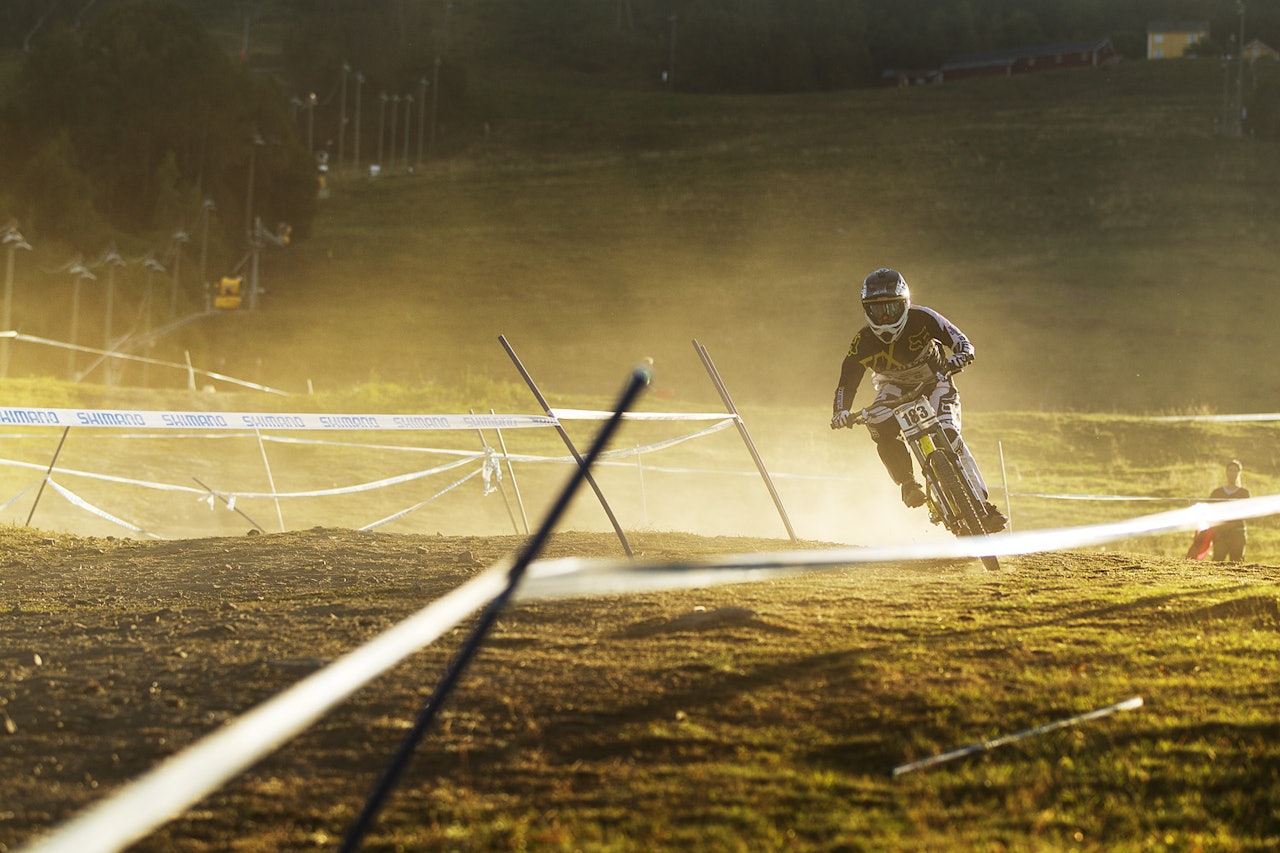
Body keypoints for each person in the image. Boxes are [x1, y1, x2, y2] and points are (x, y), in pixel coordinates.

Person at [830, 267, 1005, 531]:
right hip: (893, 388)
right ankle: (908, 483)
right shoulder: (862, 341)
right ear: (866, 310)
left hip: (935, 381)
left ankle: (983, 508)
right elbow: (846, 383)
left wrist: (961, 355)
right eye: (878, 310)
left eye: (891, 308)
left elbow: (960, 340)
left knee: (949, 434)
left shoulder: (923, 318)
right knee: (877, 425)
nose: (886, 316)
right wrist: (840, 411)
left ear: (905, 304)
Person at [1209, 459, 1250, 561]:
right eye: (1230, 470)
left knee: (1236, 563)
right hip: (1221, 533)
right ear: (1226, 472)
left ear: (1239, 473)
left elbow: (1248, 512)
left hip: (1237, 533)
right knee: (1217, 562)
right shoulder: (1217, 493)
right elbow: (1209, 511)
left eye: (1235, 471)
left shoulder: (1244, 493)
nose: (1232, 473)